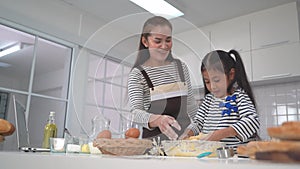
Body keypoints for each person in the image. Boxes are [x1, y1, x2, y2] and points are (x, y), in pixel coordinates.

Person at [127, 16, 197, 140]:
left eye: (168, 40)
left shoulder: (180, 67)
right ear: (145, 41)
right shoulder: (138, 74)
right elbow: (135, 113)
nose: (164, 46)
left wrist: (202, 131)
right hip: (154, 146)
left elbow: (191, 106)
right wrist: (157, 120)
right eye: (158, 41)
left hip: (185, 143)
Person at [180, 49, 260, 149]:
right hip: (212, 155)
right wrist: (187, 133)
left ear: (231, 75)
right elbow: (198, 123)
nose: (212, 87)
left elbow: (252, 121)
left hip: (235, 157)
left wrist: (222, 133)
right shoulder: (208, 100)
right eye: (207, 82)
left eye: (216, 80)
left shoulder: (239, 97)